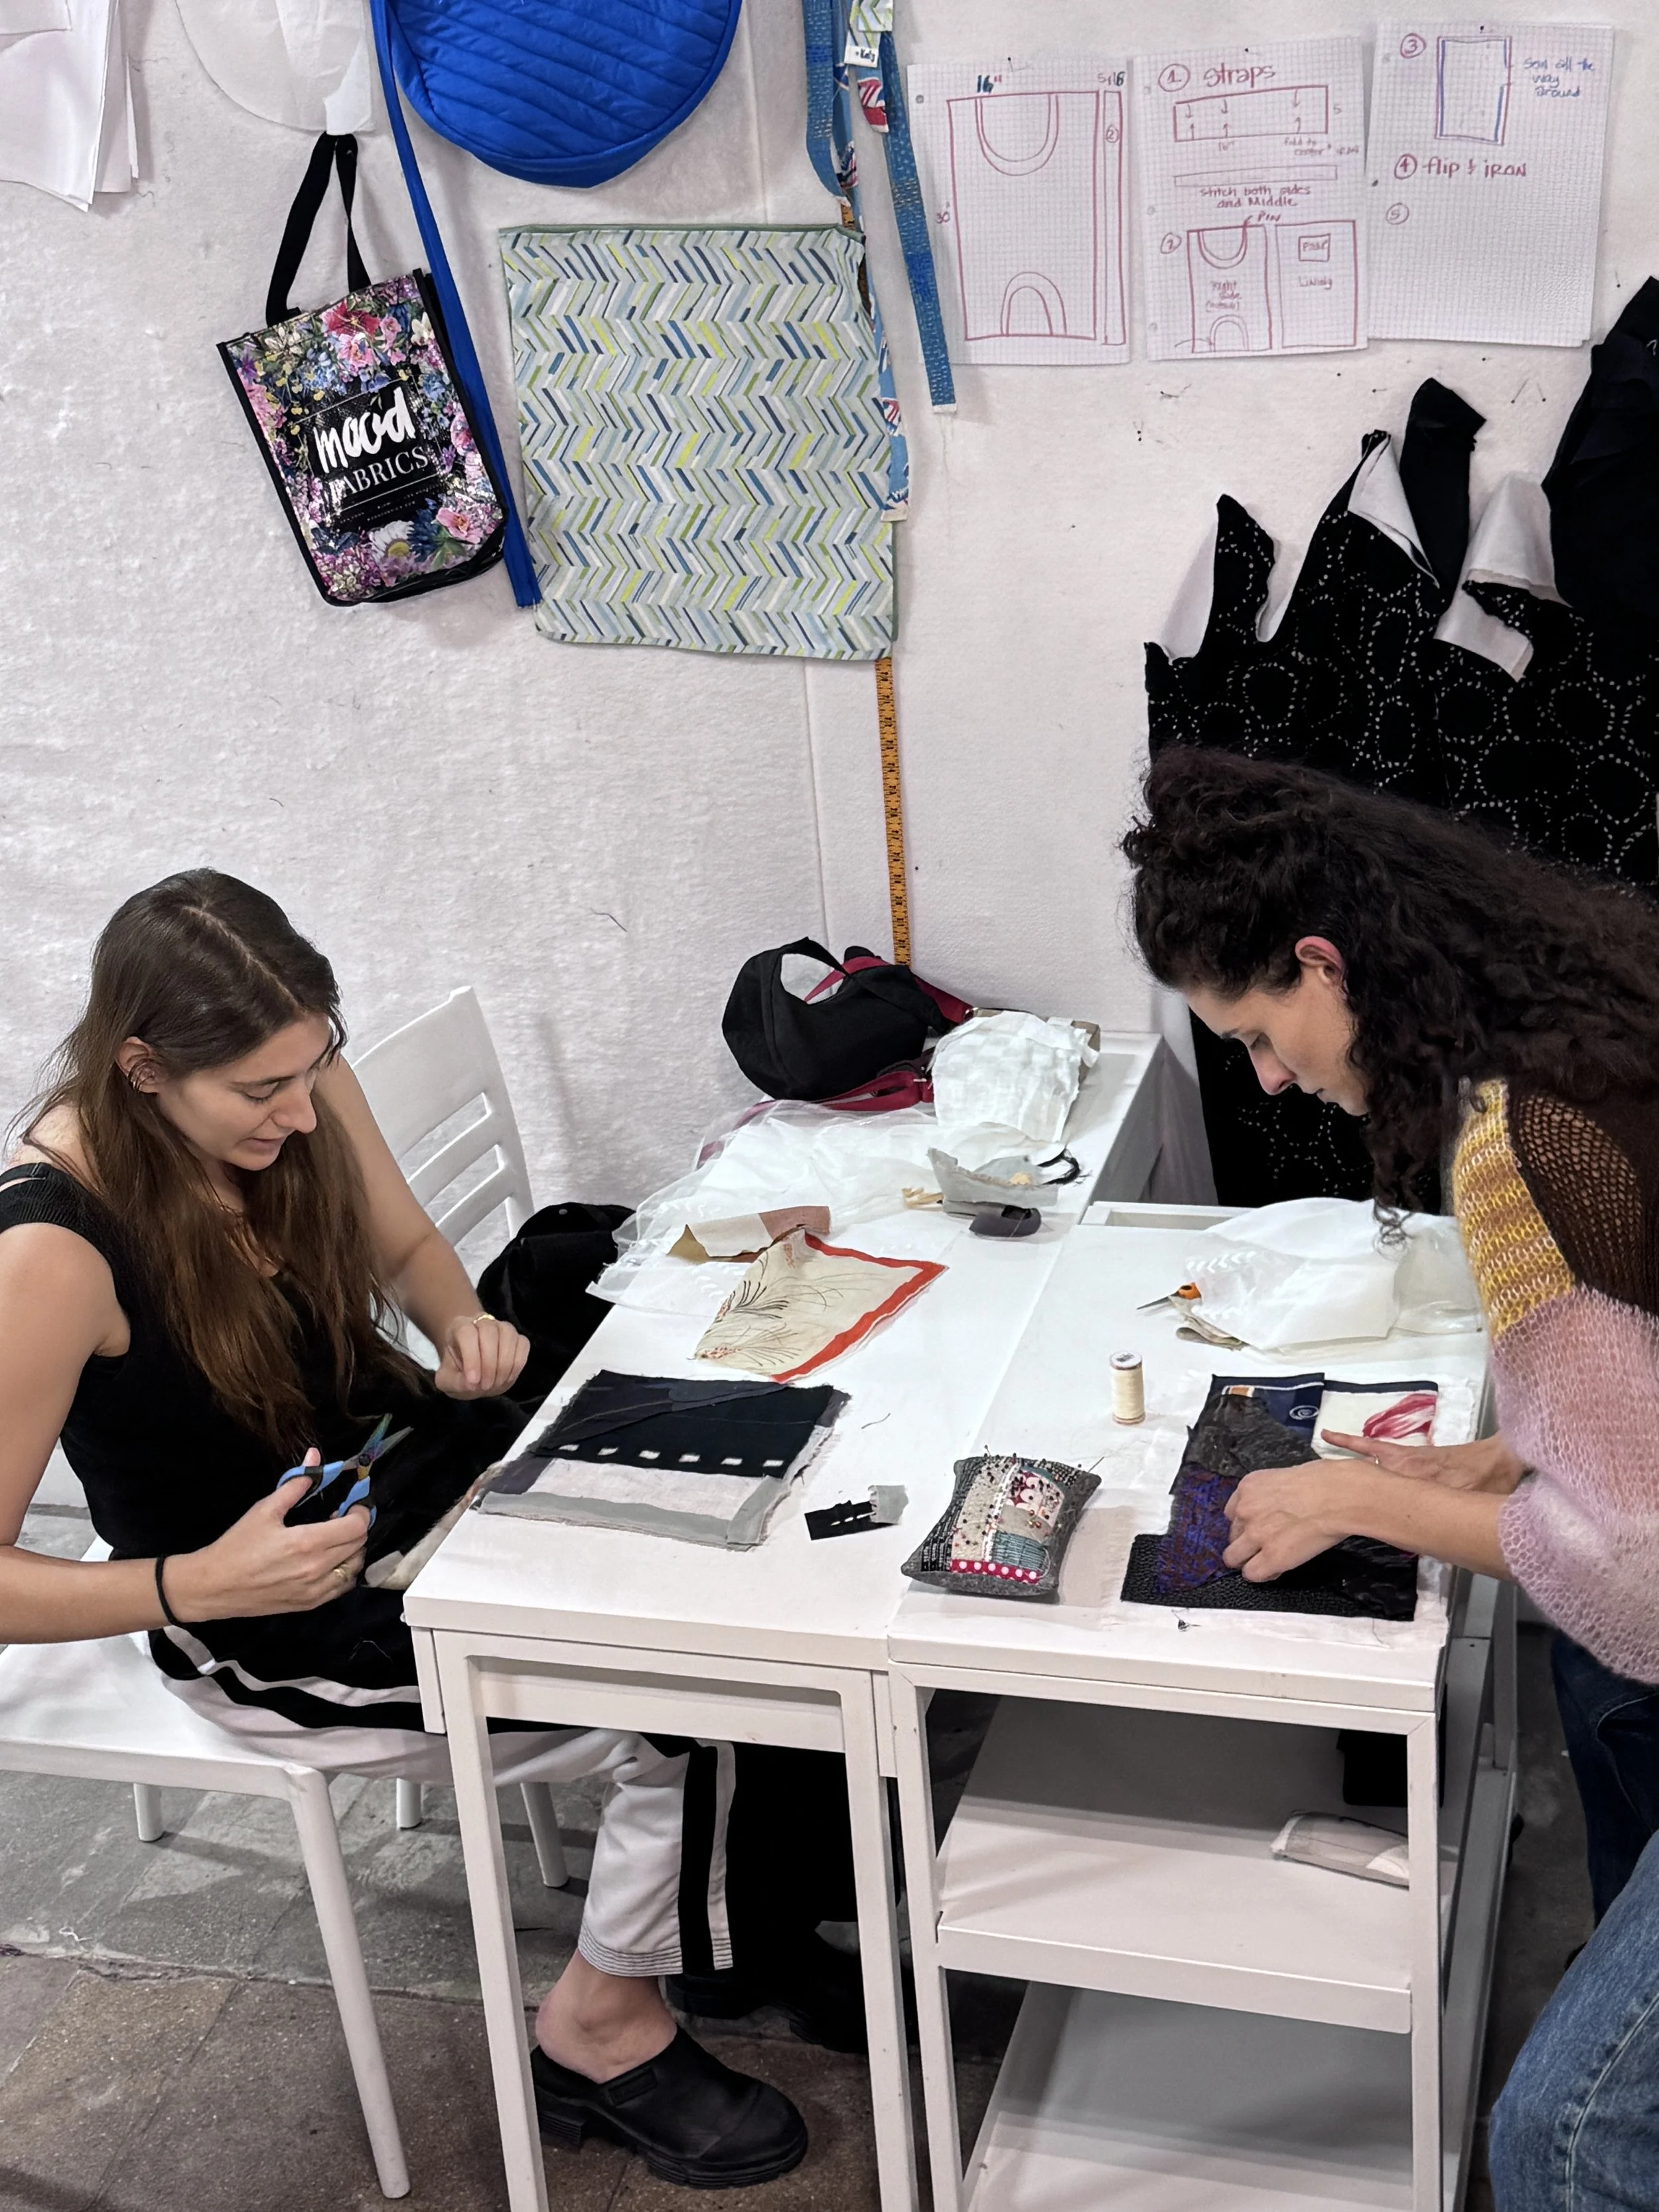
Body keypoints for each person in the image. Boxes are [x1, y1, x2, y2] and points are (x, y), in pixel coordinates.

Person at [0, 870, 816, 2190]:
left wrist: (456, 1324)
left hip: (392, 1465)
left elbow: (408, 1242)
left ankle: (728, 1924)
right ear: (142, 1069)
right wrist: (194, 1581)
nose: (303, 1109)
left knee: (723, 1526)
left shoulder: (293, 1073)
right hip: (266, 1615)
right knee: (684, 1691)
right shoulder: (48, 1251)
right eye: (263, 1093)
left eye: (313, 1067)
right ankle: (596, 2028)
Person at [1123, 747, 1659, 2212]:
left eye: (1256, 1030)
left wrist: (1357, 1498)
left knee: (1559, 2140)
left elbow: (1630, 1575)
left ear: (1318, 960)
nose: (1270, 1076)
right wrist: (1506, 1454)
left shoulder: (1514, 1147)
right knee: (1603, 1701)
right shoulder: (1582, 1003)